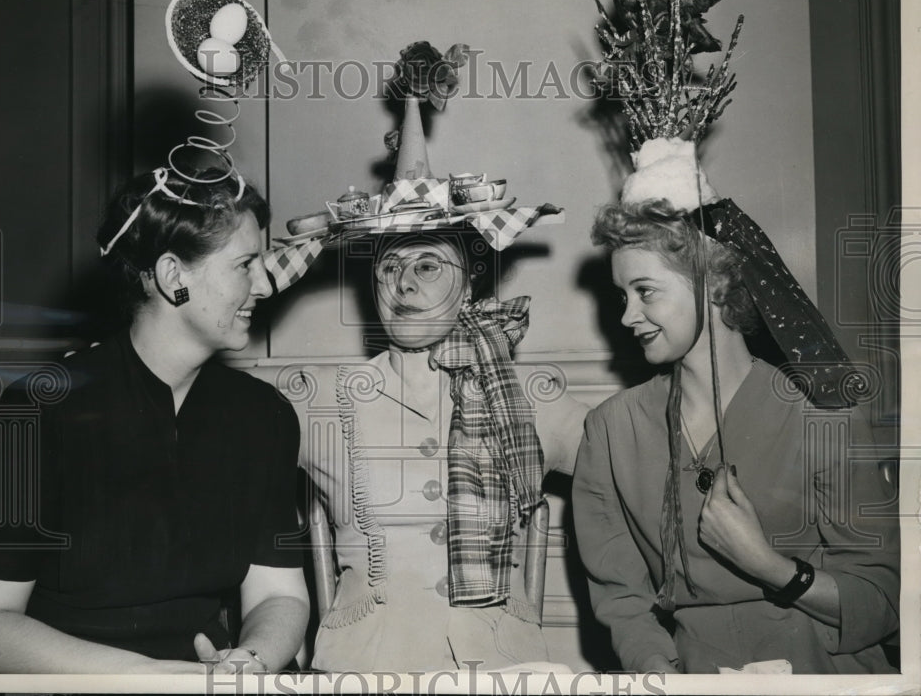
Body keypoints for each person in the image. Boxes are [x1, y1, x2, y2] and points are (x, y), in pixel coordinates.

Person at [0, 161, 310, 674]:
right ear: (174, 278)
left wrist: (250, 662)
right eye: (245, 264)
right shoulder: (40, 408)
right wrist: (151, 678)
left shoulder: (265, 415)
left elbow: (280, 596)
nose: (264, 284)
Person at [573, 196, 899, 674]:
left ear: (716, 285)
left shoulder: (822, 414)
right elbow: (622, 598)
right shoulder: (609, 428)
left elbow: (883, 600)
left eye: (645, 291)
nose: (627, 317)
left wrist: (770, 568)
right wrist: (655, 666)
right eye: (623, 296)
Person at [291, 230, 587, 672]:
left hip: (501, 673)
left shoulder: (524, 399)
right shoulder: (322, 400)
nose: (404, 284)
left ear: (467, 286)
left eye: (427, 266)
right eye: (388, 269)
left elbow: (636, 465)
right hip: (367, 672)